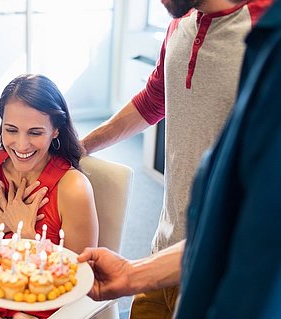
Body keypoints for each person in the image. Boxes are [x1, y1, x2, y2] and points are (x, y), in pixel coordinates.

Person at [78, 0, 281, 317]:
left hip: (218, 267)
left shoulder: (266, 35)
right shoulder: (179, 21)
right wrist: (83, 146)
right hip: (163, 248)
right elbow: (153, 101)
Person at [0, 74, 99, 319]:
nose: (21, 145)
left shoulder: (73, 188)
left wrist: (28, 237)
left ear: (56, 130)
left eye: (35, 132)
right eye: (11, 130)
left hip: (45, 307)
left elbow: (80, 279)